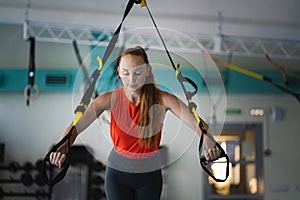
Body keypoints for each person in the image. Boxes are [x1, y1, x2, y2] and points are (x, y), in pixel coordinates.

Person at [49, 46, 221, 200]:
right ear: (118, 72)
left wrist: (209, 144)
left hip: (149, 176)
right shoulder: (108, 100)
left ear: (147, 70)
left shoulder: (163, 99)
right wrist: (61, 149)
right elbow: (76, 127)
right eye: (126, 73)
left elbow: (197, 123)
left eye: (137, 73)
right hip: (118, 175)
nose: (131, 79)